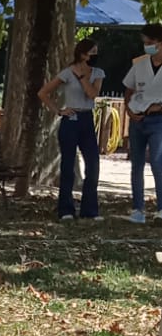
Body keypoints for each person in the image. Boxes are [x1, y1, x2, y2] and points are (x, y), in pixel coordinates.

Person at [37, 37, 104, 221]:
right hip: (70, 119)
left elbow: (92, 94)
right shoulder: (67, 72)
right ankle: (65, 209)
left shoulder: (98, 73)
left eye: (96, 52)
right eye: (92, 53)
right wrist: (58, 110)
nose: (95, 56)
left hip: (87, 118)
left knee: (93, 163)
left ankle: (90, 209)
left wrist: (83, 77)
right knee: (67, 165)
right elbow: (43, 92)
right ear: (82, 54)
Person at [123, 23, 162, 224]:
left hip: (158, 121)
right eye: (145, 43)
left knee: (157, 162)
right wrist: (129, 110)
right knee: (136, 164)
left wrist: (156, 108)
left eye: (151, 43)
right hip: (137, 119)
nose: (147, 46)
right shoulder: (139, 64)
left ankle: (160, 208)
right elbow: (128, 89)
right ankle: (137, 209)